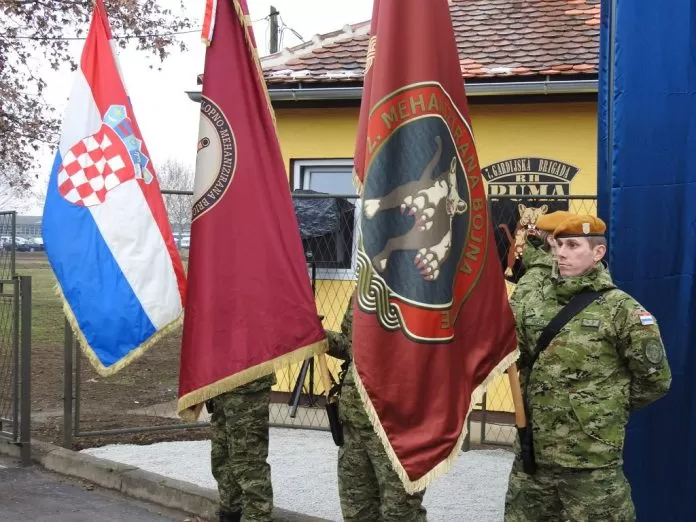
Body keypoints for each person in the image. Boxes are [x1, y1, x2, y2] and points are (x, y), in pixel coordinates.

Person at [504, 215, 672, 522]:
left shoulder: (623, 311)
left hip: (592, 464)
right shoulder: (533, 304)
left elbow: (656, 381)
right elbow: (513, 358)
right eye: (559, 245)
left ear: (598, 253)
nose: (562, 253)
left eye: (573, 245)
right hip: (533, 460)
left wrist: (602, 408)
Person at [326, 290, 428, 522]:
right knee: (357, 510)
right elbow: (350, 346)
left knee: (400, 513)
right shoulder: (364, 287)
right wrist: (318, 336)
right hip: (355, 423)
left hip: (397, 426)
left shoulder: (423, 289)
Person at [207, 374, 275, 522]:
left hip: (248, 381)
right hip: (220, 382)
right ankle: (228, 515)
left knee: (249, 466)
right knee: (222, 460)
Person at [508, 210, 573, 315]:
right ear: (552, 240)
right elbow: (513, 323)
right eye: (572, 239)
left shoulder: (584, 270)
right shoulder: (533, 280)